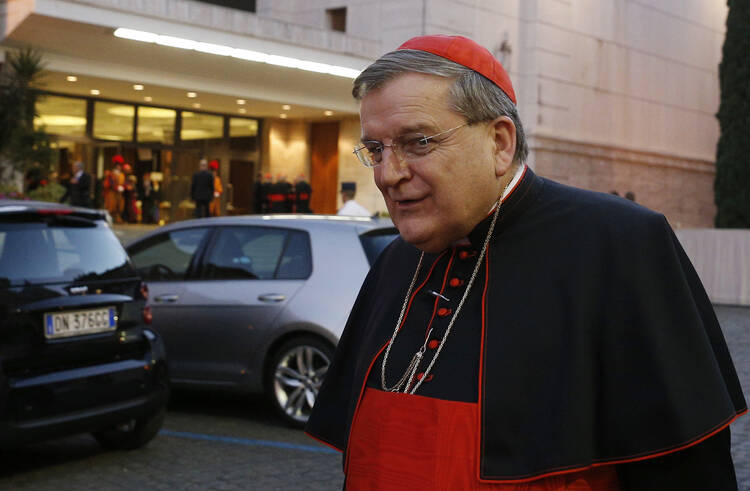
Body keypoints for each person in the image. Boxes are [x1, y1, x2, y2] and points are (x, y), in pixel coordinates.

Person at [306, 35, 746, 490]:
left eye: (417, 142)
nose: (387, 174)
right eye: (375, 149)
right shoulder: (395, 262)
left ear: (499, 142)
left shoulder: (619, 245)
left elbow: (687, 472)